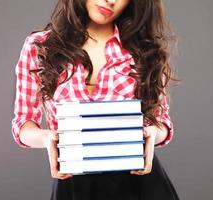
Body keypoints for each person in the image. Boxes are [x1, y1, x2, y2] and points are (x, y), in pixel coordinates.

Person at [11, 0, 180, 199]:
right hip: (73, 183)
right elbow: (23, 123)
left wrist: (153, 133)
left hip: (139, 184)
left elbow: (162, 121)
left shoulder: (143, 50)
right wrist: (48, 138)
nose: (110, 0)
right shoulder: (40, 47)